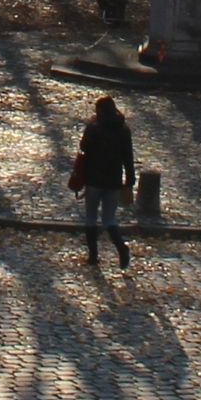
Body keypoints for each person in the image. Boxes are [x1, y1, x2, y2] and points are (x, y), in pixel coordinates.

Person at [73, 95, 136, 270]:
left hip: (94, 179)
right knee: (109, 219)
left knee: (91, 218)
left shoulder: (94, 128)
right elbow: (128, 157)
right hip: (114, 180)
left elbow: (83, 148)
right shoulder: (123, 130)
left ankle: (93, 256)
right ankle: (121, 248)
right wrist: (130, 180)